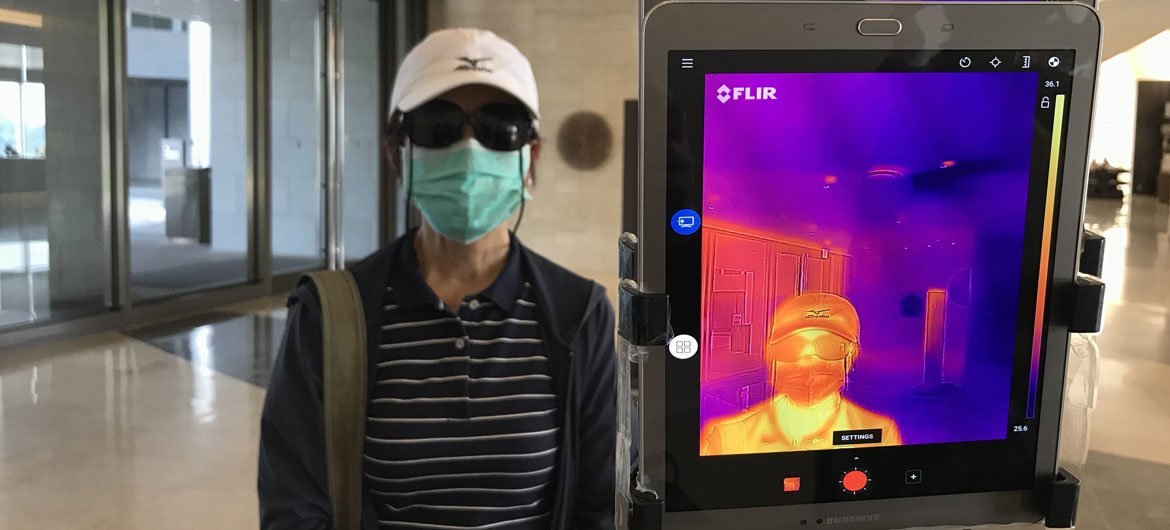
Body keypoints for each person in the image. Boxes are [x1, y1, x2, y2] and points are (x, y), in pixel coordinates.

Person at [258, 29, 617, 530]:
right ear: (395, 151)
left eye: (499, 129)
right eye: (438, 125)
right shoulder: (333, 316)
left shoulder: (579, 316)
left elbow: (599, 507)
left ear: (529, 160)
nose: (469, 148)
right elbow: (294, 509)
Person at [701, 292, 901, 455]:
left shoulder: (881, 432)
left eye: (829, 346)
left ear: (852, 354)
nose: (808, 360)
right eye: (791, 346)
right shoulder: (728, 436)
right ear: (772, 354)